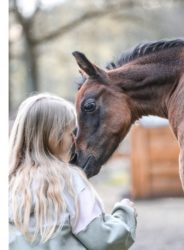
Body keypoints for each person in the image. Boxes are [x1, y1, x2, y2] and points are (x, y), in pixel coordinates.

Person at [9, 93, 137, 249]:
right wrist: (124, 213)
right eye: (71, 133)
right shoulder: (69, 180)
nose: (75, 140)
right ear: (54, 137)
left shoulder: (9, 184)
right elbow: (105, 240)